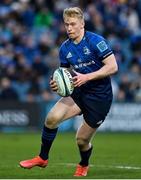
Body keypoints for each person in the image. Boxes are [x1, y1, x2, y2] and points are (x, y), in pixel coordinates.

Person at [19, 7, 118, 177]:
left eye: (73, 24)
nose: (69, 28)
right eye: (66, 25)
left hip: (99, 97)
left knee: (81, 140)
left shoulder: (96, 41)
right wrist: (56, 84)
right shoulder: (65, 48)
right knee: (51, 118)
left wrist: (87, 77)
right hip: (79, 92)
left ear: (82, 24)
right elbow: (63, 74)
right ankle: (42, 158)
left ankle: (83, 163)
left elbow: (113, 67)